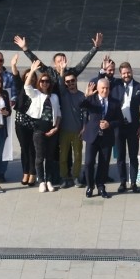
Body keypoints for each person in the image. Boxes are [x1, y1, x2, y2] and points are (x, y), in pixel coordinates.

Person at [80, 78, 123, 198]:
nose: (105, 90)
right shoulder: (91, 99)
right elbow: (81, 106)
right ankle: (90, 186)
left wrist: (109, 124)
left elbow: (119, 120)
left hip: (106, 137)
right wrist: (86, 96)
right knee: (89, 162)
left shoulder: (114, 102)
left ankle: (100, 186)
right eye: (103, 88)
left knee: (104, 164)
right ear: (98, 89)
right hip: (92, 136)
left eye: (107, 88)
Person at [24, 62, 61, 192]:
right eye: (42, 81)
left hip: (52, 130)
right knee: (39, 157)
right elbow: (26, 86)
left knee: (50, 157)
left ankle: (49, 180)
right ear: (39, 83)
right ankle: (41, 181)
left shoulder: (54, 97)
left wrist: (56, 128)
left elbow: (59, 114)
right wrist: (32, 71)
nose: (45, 83)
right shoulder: (36, 94)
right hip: (39, 130)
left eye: (47, 81)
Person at [111, 62, 140, 193]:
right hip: (118, 127)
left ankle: (133, 183)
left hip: (133, 127)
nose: (126, 75)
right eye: (124, 73)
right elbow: (103, 79)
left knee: (133, 156)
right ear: (120, 74)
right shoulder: (115, 85)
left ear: (132, 71)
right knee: (120, 156)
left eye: (128, 72)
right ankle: (122, 182)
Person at [57, 72, 85, 189]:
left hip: (78, 131)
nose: (70, 83)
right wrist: (62, 70)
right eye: (68, 82)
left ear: (76, 80)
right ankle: (64, 177)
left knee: (78, 156)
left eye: (72, 80)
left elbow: (85, 114)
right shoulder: (64, 94)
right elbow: (59, 83)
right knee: (63, 156)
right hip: (64, 130)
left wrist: (84, 127)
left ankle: (76, 176)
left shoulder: (82, 96)